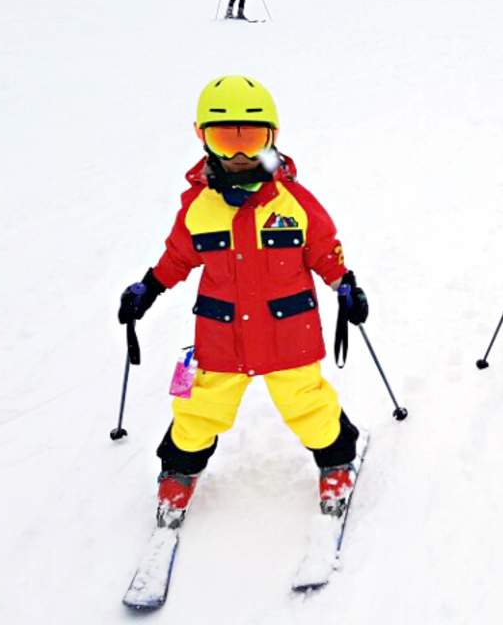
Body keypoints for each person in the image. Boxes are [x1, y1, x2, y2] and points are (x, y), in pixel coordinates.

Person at [117, 75, 368, 527]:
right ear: (202, 137)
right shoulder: (198, 207)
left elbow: (324, 249)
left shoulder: (293, 201)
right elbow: (178, 256)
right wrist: (148, 288)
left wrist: (344, 283)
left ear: (271, 137)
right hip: (220, 334)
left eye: (250, 138)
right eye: (224, 138)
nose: (238, 153)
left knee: (307, 404)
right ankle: (179, 469)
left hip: (288, 331)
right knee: (196, 406)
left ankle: (337, 460)